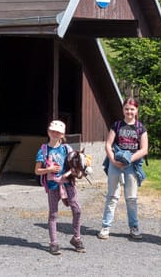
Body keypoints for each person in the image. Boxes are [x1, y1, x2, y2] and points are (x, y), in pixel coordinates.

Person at [97, 97, 148, 240]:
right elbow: (108, 144)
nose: (129, 111)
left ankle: (134, 227)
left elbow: (144, 149)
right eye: (126, 109)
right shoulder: (117, 125)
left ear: (136, 110)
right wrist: (113, 160)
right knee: (112, 196)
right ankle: (106, 227)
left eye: (132, 109)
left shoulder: (141, 128)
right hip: (116, 164)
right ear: (123, 110)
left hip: (131, 166)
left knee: (131, 198)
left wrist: (129, 160)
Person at [34, 120, 85, 255]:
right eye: (53, 131)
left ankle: (76, 238)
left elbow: (75, 164)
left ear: (62, 135)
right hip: (52, 185)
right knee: (53, 213)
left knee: (77, 209)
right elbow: (37, 171)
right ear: (48, 132)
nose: (55, 134)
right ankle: (53, 242)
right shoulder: (43, 150)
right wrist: (48, 169)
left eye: (58, 132)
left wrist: (76, 170)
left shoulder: (67, 149)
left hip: (68, 183)